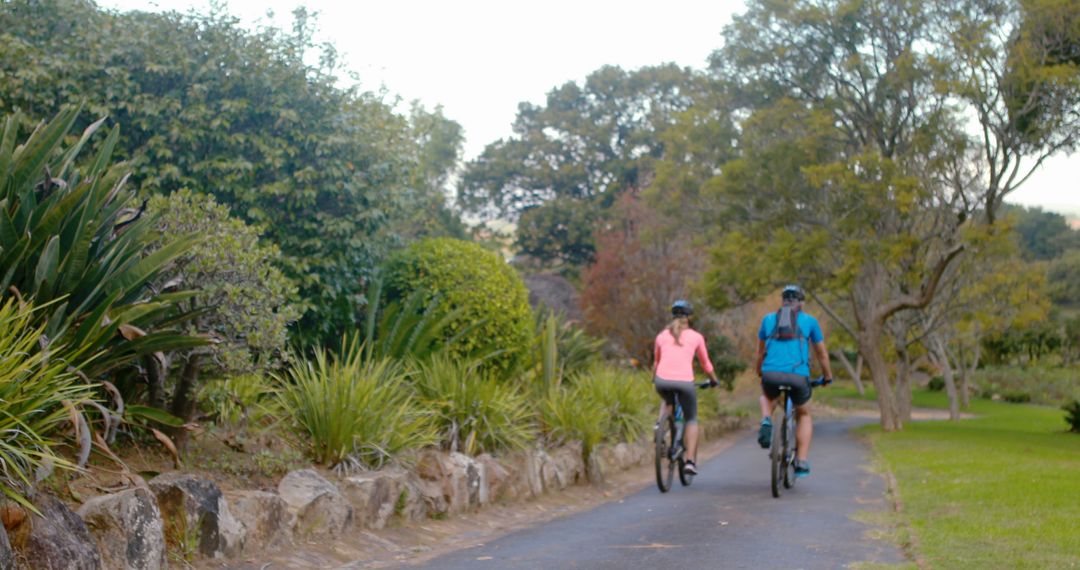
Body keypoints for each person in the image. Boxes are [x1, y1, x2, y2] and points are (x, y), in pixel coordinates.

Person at [755, 285, 833, 478]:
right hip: (798, 376)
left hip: (770, 373)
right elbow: (822, 354)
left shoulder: (768, 320)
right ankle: (801, 460)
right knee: (804, 413)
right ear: (802, 303)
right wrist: (827, 375)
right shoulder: (810, 321)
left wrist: (759, 372)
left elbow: (760, 353)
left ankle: (766, 419)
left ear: (782, 301)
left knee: (767, 395)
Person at [654, 300, 719, 476]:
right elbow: (706, 364)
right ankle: (690, 461)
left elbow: (657, 362)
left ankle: (660, 426)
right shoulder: (696, 337)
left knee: (667, 399)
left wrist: (656, 379)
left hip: (662, 380)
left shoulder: (661, 336)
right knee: (691, 418)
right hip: (685, 383)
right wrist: (714, 380)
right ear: (689, 318)